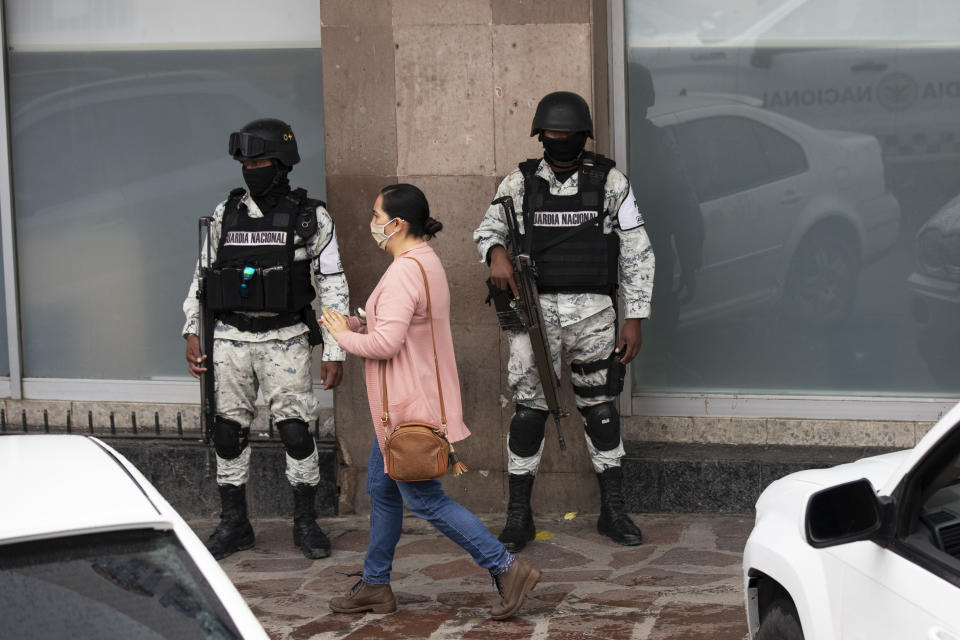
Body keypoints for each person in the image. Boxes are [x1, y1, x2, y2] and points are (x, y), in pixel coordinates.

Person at [321, 184, 541, 619]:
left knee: (424, 500)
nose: (372, 222)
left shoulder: (406, 269)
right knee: (383, 491)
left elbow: (386, 342)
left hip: (407, 409)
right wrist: (355, 321)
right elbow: (393, 323)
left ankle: (507, 568)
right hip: (403, 407)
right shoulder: (421, 260)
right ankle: (375, 583)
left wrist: (342, 336)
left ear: (397, 223)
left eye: (376, 214)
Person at [473, 91, 655, 551]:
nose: (559, 142)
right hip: (536, 316)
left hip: (594, 315)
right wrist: (496, 254)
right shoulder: (519, 182)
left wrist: (635, 318)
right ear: (540, 136)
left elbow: (636, 251)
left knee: (601, 410)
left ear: (582, 136)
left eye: (567, 135)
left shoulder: (610, 181)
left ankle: (612, 511)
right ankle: (519, 516)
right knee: (529, 412)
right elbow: (489, 227)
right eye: (551, 135)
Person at [182, 118, 349, 561]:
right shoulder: (225, 212)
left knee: (296, 433)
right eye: (246, 162)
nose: (251, 169)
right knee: (226, 432)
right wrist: (193, 332)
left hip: (287, 339)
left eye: (260, 161)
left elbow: (332, 284)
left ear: (282, 164)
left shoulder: (311, 215)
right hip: (230, 338)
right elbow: (202, 278)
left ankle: (305, 521)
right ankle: (235, 523)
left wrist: (335, 349)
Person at [630, 65, 703, 381]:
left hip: (647, 251)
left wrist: (689, 262)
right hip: (647, 251)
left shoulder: (624, 140)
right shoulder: (657, 143)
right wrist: (690, 264)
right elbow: (684, 206)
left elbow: (683, 206)